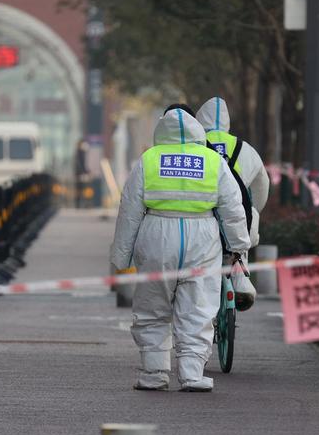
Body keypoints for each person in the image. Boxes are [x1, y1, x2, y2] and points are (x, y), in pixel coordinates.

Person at [110, 108, 250, 392]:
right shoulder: (213, 162)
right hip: (203, 238)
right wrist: (239, 246)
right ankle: (192, 374)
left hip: (157, 235)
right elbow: (233, 209)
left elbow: (130, 210)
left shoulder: (149, 160)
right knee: (198, 307)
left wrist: (120, 256)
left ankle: (154, 373)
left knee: (153, 306)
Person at [196, 97, 269, 311]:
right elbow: (261, 186)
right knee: (241, 234)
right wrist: (255, 210)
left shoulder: (194, 146)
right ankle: (241, 280)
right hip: (239, 219)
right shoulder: (245, 149)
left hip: (204, 218)